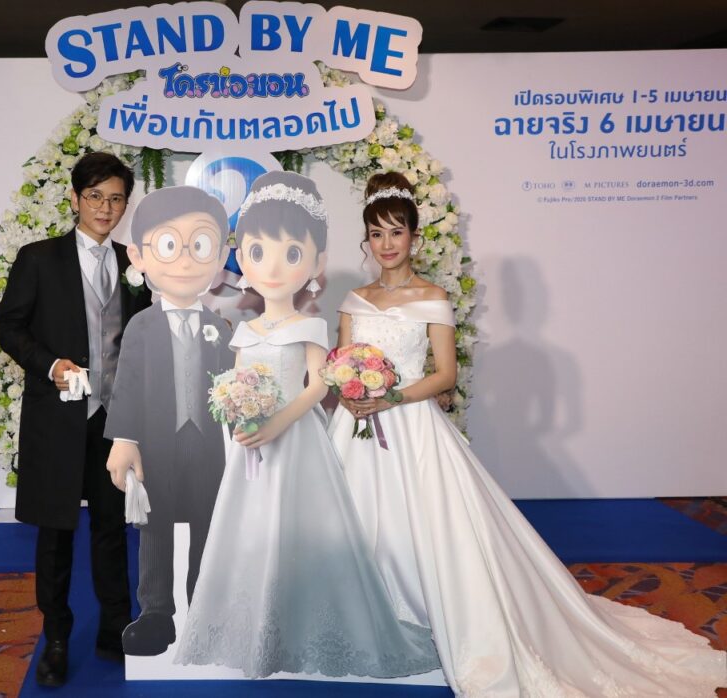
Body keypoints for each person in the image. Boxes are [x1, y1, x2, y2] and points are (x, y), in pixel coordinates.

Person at [328, 171, 727, 696]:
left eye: (396, 232)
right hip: (357, 427)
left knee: (426, 535)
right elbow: (343, 363)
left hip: (410, 427)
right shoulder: (354, 300)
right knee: (348, 526)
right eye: (376, 233)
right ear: (366, 239)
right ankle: (365, 626)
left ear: (414, 236)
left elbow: (444, 375)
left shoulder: (433, 297)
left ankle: (428, 625)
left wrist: (392, 397)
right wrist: (351, 395)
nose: (386, 244)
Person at [173, 171, 440, 680]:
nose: (273, 267)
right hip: (251, 448)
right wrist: (237, 415)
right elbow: (232, 383)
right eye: (258, 252)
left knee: (302, 529)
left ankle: (302, 625)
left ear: (314, 262)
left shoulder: (311, 324)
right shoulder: (244, 330)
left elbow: (319, 385)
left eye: (290, 254)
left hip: (296, 441)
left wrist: (277, 423)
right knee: (251, 530)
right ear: (243, 258)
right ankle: (254, 630)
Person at [0, 152, 151, 687]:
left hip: (114, 418)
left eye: (116, 199)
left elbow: (144, 333)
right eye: (95, 197)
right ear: (76, 198)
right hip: (57, 419)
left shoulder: (134, 264)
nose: (105, 208)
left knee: (111, 529)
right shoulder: (39, 258)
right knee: (56, 534)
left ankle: (114, 629)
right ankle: (56, 637)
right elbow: (8, 325)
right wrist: (50, 364)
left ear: (125, 205)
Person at [104, 186, 237, 656]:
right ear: (140, 256)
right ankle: (157, 611)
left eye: (198, 245)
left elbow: (233, 386)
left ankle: (206, 605)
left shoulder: (220, 327)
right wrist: (124, 439)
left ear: (219, 255)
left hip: (209, 444)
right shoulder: (141, 326)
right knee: (153, 526)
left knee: (209, 522)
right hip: (156, 443)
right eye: (168, 245)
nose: (183, 260)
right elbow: (126, 384)